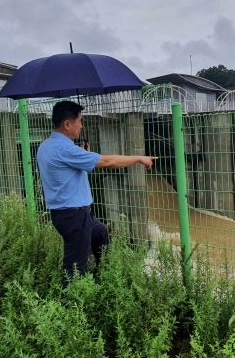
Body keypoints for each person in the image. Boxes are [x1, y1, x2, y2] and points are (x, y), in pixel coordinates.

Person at [37, 100, 157, 287]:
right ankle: (69, 307)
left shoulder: (46, 146)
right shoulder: (65, 149)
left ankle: (105, 278)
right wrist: (139, 158)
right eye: (80, 121)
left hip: (70, 214)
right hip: (73, 216)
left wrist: (82, 154)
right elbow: (108, 161)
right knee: (74, 271)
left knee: (100, 233)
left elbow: (66, 170)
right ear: (68, 124)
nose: (81, 126)